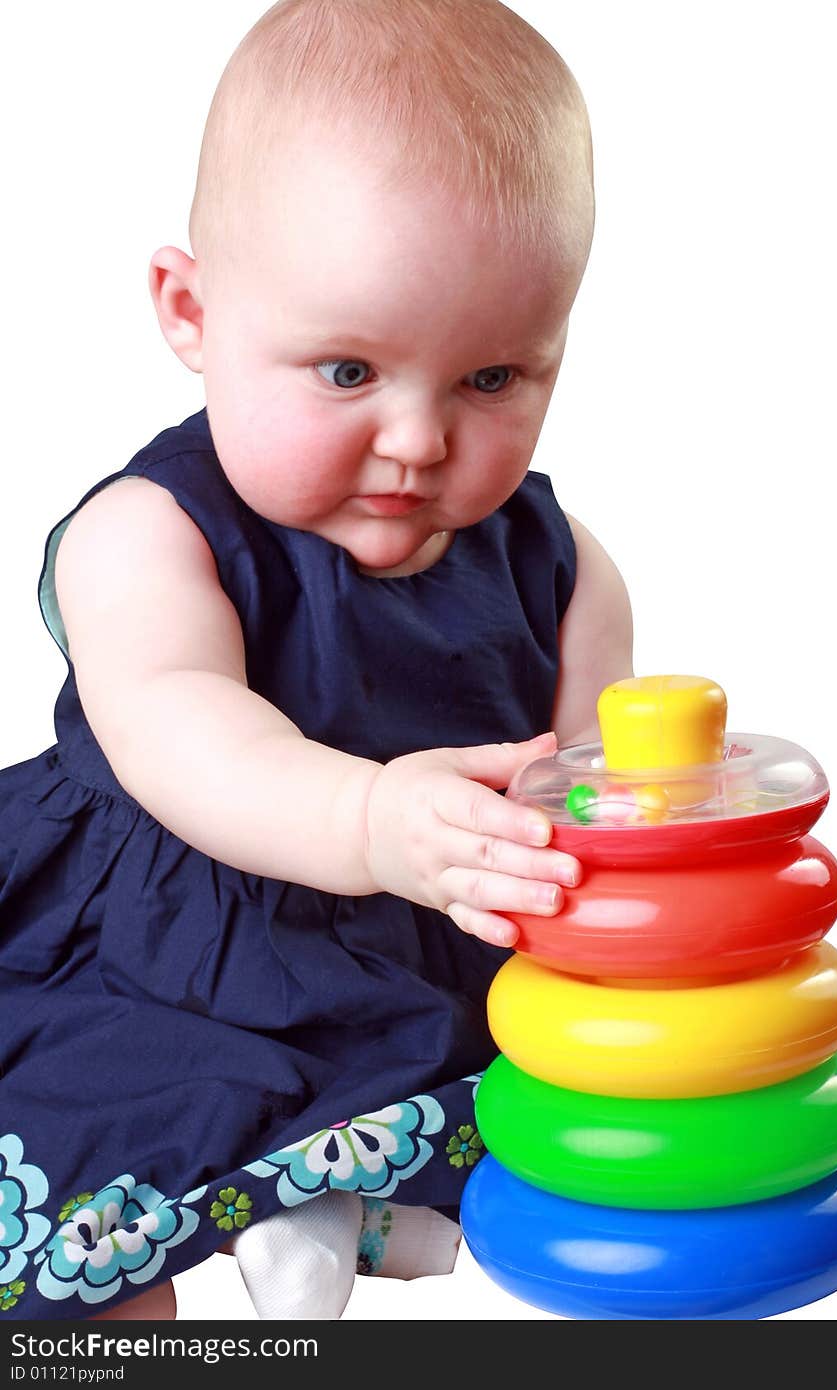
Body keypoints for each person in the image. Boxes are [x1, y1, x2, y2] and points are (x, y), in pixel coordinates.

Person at [0, 0, 632, 1322]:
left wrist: (594, 841)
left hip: (417, 940)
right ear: (191, 310)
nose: (417, 438)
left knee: (570, 1104)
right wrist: (364, 814)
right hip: (168, 934)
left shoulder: (563, 567)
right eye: (349, 368)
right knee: (93, 1162)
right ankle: (161, 1283)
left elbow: (591, 786)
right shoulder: (144, 536)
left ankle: (335, 1195)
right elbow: (180, 733)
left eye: (492, 376)